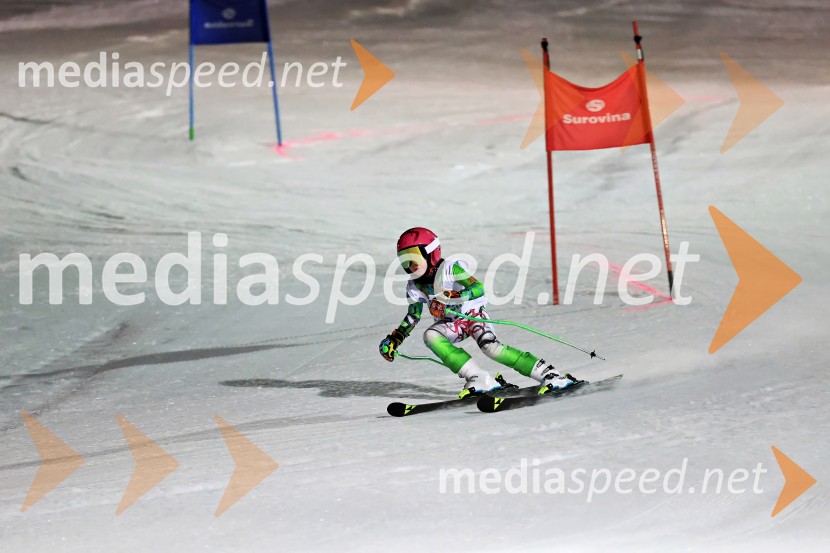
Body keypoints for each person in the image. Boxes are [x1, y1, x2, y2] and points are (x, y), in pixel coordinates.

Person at [379, 227, 576, 398]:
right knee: (430, 335)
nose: (410, 266)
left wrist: (450, 295)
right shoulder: (414, 285)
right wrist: (396, 339)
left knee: (491, 348)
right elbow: (413, 315)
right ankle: (479, 378)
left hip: (472, 315)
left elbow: (478, 288)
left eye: (414, 257)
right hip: (451, 323)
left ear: (431, 252)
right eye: (404, 260)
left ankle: (549, 374)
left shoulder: (451, 269)